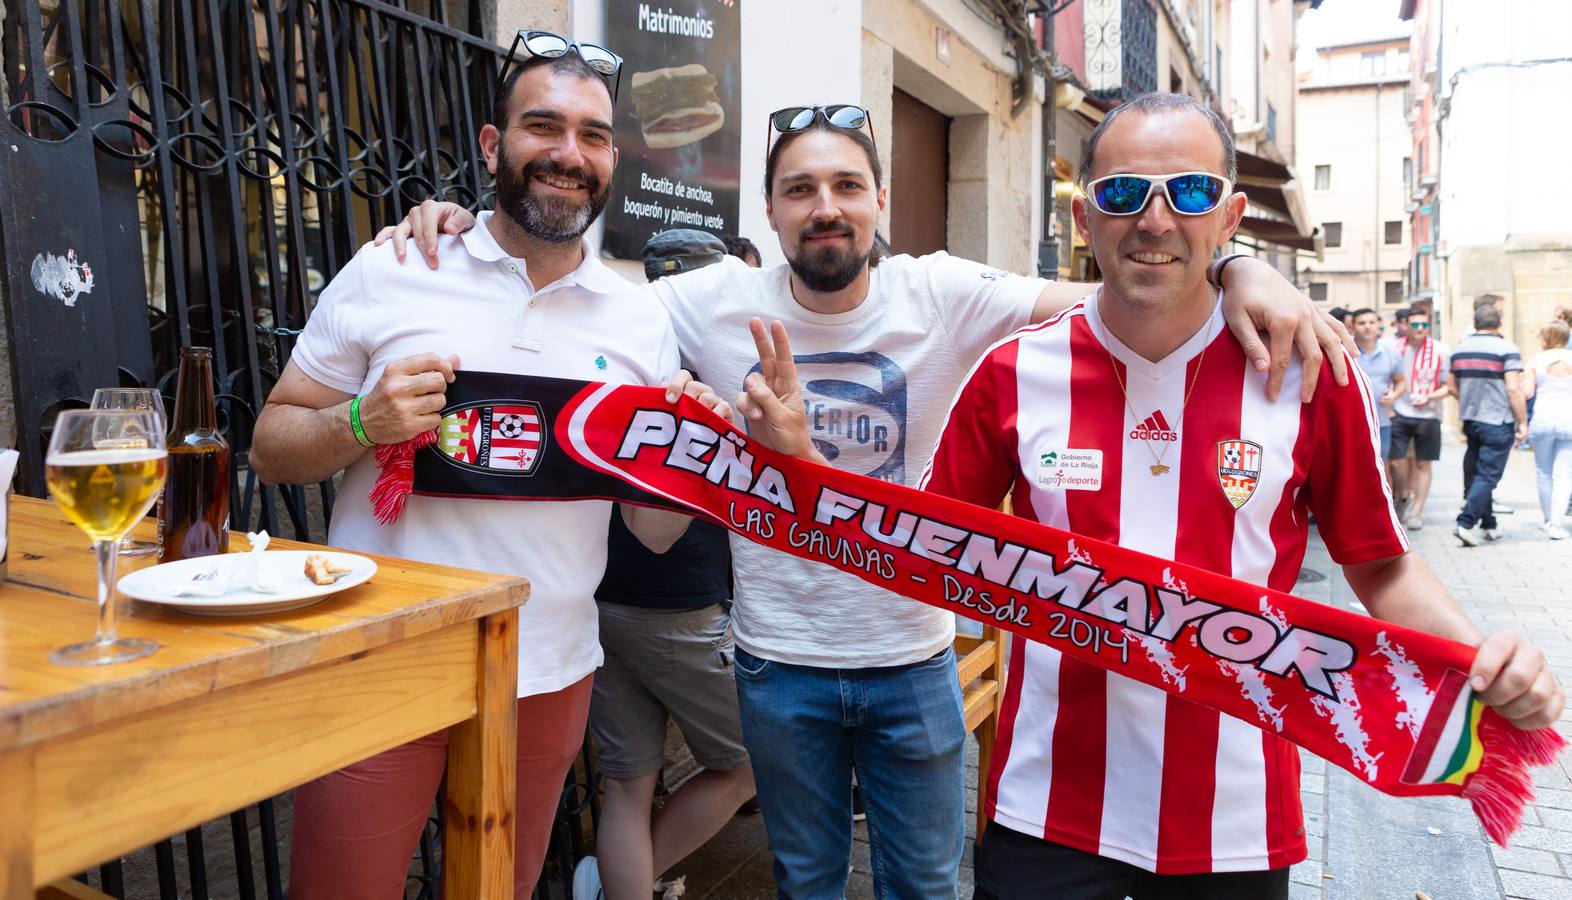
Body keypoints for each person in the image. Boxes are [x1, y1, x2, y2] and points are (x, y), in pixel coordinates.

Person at [377, 99, 1351, 899]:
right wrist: (458, 227)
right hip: (777, 664)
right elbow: (559, 283)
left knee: (924, 886)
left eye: (847, 185)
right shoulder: (704, 301)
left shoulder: (946, 293)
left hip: (913, 661)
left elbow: (1123, 291)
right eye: (801, 189)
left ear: (881, 199)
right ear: (770, 211)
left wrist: (1237, 266)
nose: (826, 207)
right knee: (805, 882)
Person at [732, 90, 1564, 899]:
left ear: (1230, 218)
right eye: (1124, 192)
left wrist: (1479, 660)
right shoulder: (1014, 373)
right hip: (1044, 807)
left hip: (1235, 818)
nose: (1156, 220)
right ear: (1085, 217)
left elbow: (1381, 565)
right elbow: (912, 550)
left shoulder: (1309, 375)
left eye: (1190, 192)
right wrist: (802, 462)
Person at [249, 41, 727, 899]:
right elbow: (272, 446)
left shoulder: (640, 321)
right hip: (379, 657)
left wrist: (690, 459)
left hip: (545, 669)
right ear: (490, 144)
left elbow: (650, 534)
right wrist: (363, 420)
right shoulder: (396, 267)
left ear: (613, 158)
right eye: (541, 125)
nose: (567, 154)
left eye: (591, 135)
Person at [575, 228, 755, 900]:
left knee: (626, 784)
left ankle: (620, 882)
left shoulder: (622, 355)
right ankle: (638, 876)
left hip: (599, 599)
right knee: (749, 766)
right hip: (678, 608)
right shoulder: (707, 376)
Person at [1449, 299, 1528, 546]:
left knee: (1478, 471)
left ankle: (1489, 524)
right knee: (1488, 475)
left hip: (1471, 418)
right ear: (1500, 323)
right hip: (1498, 420)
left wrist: (1469, 400)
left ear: (1474, 323)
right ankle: (1465, 522)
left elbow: (1452, 386)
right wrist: (1523, 422)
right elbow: (1514, 389)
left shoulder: (1459, 349)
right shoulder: (1507, 348)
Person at [1389, 308, 1452, 530]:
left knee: (1424, 462)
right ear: (1406, 325)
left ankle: (1417, 511)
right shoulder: (1394, 348)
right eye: (1415, 325)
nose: (1420, 329)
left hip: (1429, 414)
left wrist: (1429, 396)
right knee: (1397, 461)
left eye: (1425, 325)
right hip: (1399, 411)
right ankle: (1403, 496)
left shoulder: (1441, 351)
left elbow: (1448, 387)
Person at [1523, 319, 1572, 539]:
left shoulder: (1536, 360)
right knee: (1564, 474)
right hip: (1568, 420)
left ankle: (1546, 519)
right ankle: (1556, 524)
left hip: (1542, 420)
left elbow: (1527, 392)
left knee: (1544, 472)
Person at [1350, 307, 1406, 459]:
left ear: (1378, 325)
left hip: (1381, 422)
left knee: (1381, 467)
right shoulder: (1345, 353)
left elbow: (1401, 382)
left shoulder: (1391, 354)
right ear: (1352, 327)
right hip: (1351, 424)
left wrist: (1393, 396)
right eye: (1362, 323)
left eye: (1371, 322)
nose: (1367, 326)